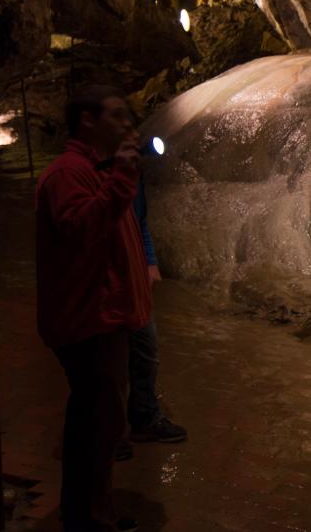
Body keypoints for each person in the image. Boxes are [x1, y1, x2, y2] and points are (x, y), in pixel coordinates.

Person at [35, 85, 150, 531]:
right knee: (96, 423)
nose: (127, 124)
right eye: (117, 115)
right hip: (88, 320)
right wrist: (123, 176)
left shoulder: (93, 170)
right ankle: (86, 518)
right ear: (87, 120)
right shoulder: (67, 173)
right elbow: (81, 228)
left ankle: (92, 511)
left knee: (101, 421)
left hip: (104, 316)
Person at [114, 167, 187, 463]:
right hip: (109, 282)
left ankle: (144, 417)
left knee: (146, 350)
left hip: (133, 280)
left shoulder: (132, 173)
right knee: (110, 362)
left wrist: (150, 261)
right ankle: (107, 431)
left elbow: (139, 221)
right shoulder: (86, 173)